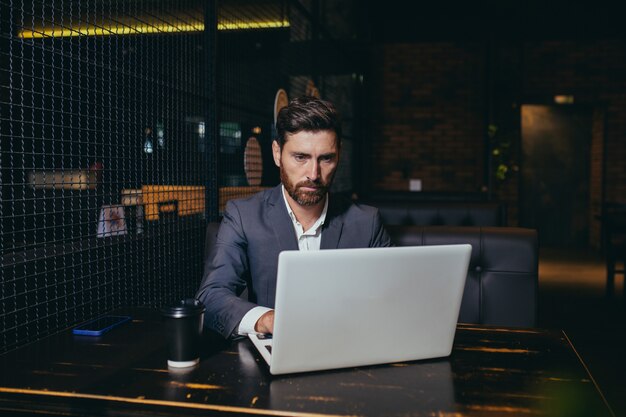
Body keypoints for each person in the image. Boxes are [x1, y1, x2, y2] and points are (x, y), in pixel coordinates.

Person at [196, 96, 392, 339]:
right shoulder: (243, 216)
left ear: (339, 154)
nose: (313, 174)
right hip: (272, 355)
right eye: (300, 157)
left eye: (326, 158)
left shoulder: (367, 222)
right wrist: (268, 320)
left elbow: (390, 300)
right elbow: (211, 296)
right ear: (277, 153)